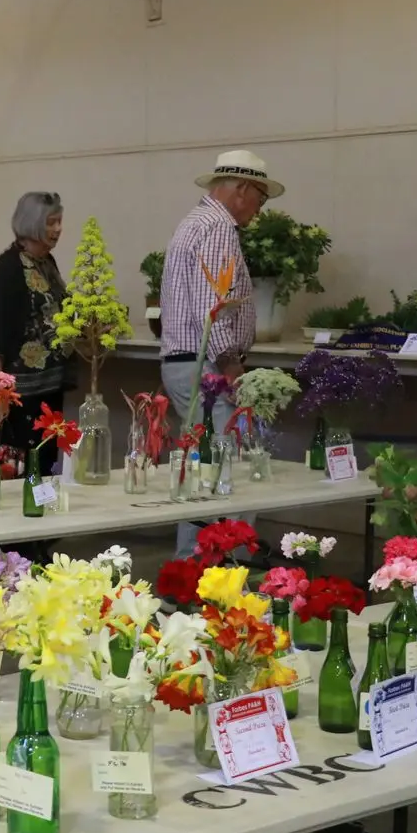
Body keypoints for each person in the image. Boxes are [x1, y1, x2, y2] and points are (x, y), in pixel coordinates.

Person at [160, 149, 283, 555]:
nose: (259, 211)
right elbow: (212, 305)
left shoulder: (195, 221)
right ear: (243, 190)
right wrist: (231, 364)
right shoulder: (217, 227)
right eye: (260, 200)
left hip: (188, 363)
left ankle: (194, 570)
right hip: (206, 366)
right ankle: (211, 571)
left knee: (203, 465)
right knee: (223, 468)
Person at [0, 191, 70, 478]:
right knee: (19, 467)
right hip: (21, 394)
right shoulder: (7, 268)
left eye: (59, 222)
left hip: (50, 387)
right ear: (32, 224)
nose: (58, 229)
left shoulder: (47, 263)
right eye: (51, 222)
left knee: (44, 464)